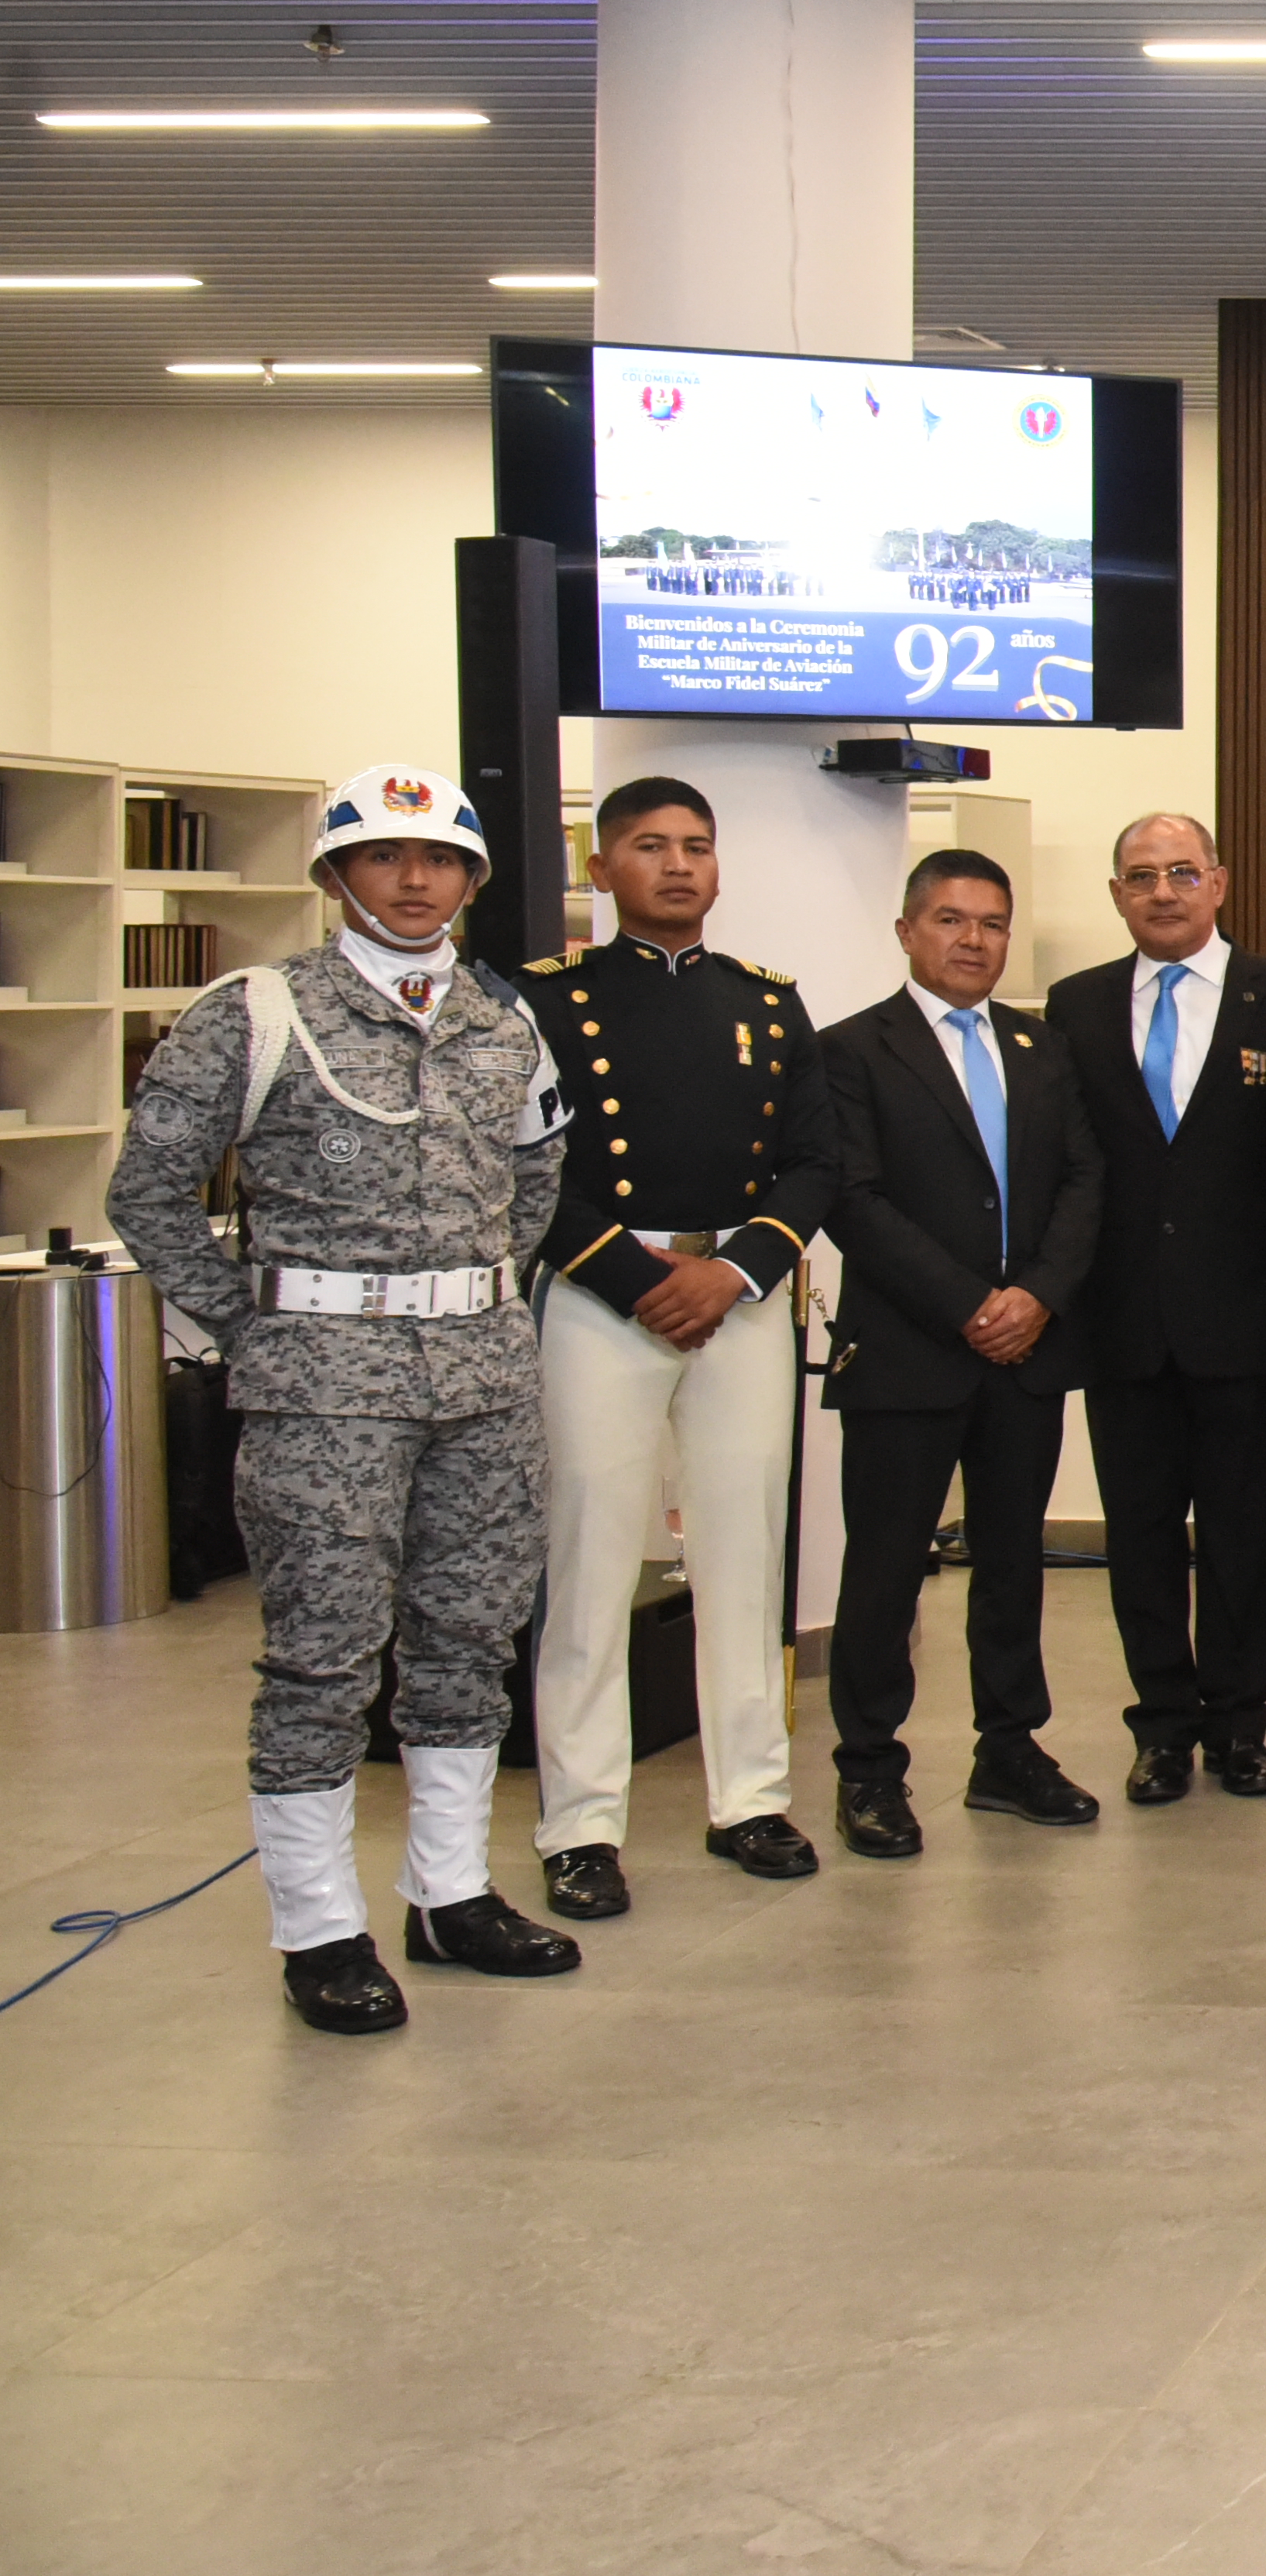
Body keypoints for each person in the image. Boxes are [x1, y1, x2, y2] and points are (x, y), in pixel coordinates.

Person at [107, 762, 583, 2032]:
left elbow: (536, 1184)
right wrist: (246, 1324)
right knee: (322, 1656)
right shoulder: (254, 1014)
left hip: (482, 1381)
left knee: (471, 1640)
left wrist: (471, 1298)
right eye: (384, 857)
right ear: (335, 877)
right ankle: (318, 1925)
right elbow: (147, 1189)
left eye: (440, 859)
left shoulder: (503, 1023)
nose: (415, 879)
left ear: (473, 879)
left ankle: (450, 1889)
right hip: (324, 1391)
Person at [513, 776, 832, 1918]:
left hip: (737, 1295)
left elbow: (816, 1156)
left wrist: (737, 1268)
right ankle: (581, 1824)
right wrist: (641, 1281)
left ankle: (749, 1797)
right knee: (591, 1558)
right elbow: (525, 1170)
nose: (680, 866)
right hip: (606, 1296)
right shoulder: (543, 1001)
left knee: (744, 1558)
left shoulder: (768, 1001)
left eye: (697, 846)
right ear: (601, 870)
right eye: (650, 847)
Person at [819, 849, 1107, 1855]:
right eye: (949, 920)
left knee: (1014, 1561)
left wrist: (1035, 1297)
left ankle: (1011, 1751)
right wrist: (969, 1305)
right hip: (908, 1354)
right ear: (907, 931)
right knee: (887, 1570)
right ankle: (868, 1770)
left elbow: (1083, 1181)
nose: (972, 940)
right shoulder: (852, 1051)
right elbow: (853, 1201)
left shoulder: (1041, 1049)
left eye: (990, 922)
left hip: (1027, 1352)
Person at [1043, 813, 1266, 1808]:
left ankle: (1242, 1726)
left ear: (1220, 882)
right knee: (1140, 1532)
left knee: (1243, 1533)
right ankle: (1160, 1728)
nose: (1163, 889)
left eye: (1182, 871)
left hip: (1249, 1319)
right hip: (1119, 1322)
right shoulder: (1072, 1006)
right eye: (1141, 875)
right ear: (1116, 893)